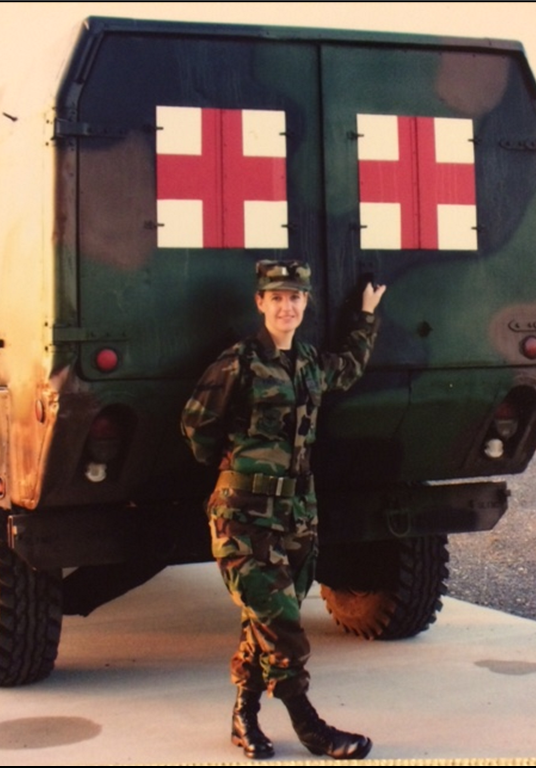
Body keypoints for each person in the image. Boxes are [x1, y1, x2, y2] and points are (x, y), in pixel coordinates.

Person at [181, 260, 386, 760]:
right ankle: (311, 728)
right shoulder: (239, 362)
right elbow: (195, 425)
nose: (286, 306)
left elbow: (351, 368)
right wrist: (240, 466)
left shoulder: (310, 362)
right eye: (276, 298)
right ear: (260, 303)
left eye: (295, 298)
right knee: (283, 623)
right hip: (244, 515)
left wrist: (365, 316)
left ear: (304, 305)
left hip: (296, 514)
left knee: (265, 622)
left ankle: (244, 718)